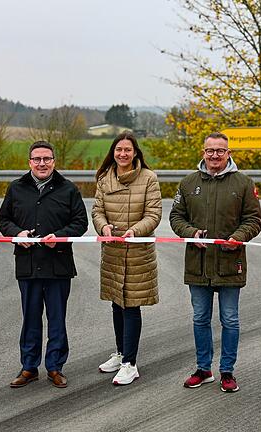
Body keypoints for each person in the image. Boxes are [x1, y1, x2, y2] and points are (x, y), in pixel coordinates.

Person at [169, 132, 261, 393]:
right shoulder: (188, 183)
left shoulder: (243, 183)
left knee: (230, 320)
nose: (215, 156)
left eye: (220, 151)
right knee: (200, 318)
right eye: (210, 151)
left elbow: (254, 220)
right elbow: (176, 217)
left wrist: (238, 237)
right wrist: (191, 233)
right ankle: (203, 369)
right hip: (197, 265)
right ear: (203, 152)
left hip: (230, 263)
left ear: (228, 153)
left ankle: (227, 371)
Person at [0, 140, 88, 389]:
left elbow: (81, 223)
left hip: (58, 265)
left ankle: (55, 367)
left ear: (54, 161)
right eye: (37, 159)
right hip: (28, 265)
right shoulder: (16, 188)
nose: (42, 163)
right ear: (29, 162)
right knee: (30, 319)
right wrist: (18, 234)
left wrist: (59, 236)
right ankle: (29, 367)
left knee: (57, 319)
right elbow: (3, 220)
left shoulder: (68, 189)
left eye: (46, 159)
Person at [91, 132, 161, 385]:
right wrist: (104, 228)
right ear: (113, 152)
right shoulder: (104, 178)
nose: (123, 154)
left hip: (137, 252)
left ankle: (130, 363)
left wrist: (135, 231)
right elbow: (97, 210)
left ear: (135, 153)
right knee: (116, 303)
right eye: (118, 149)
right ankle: (120, 353)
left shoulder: (149, 178)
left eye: (127, 150)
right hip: (112, 252)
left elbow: (153, 214)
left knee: (131, 305)